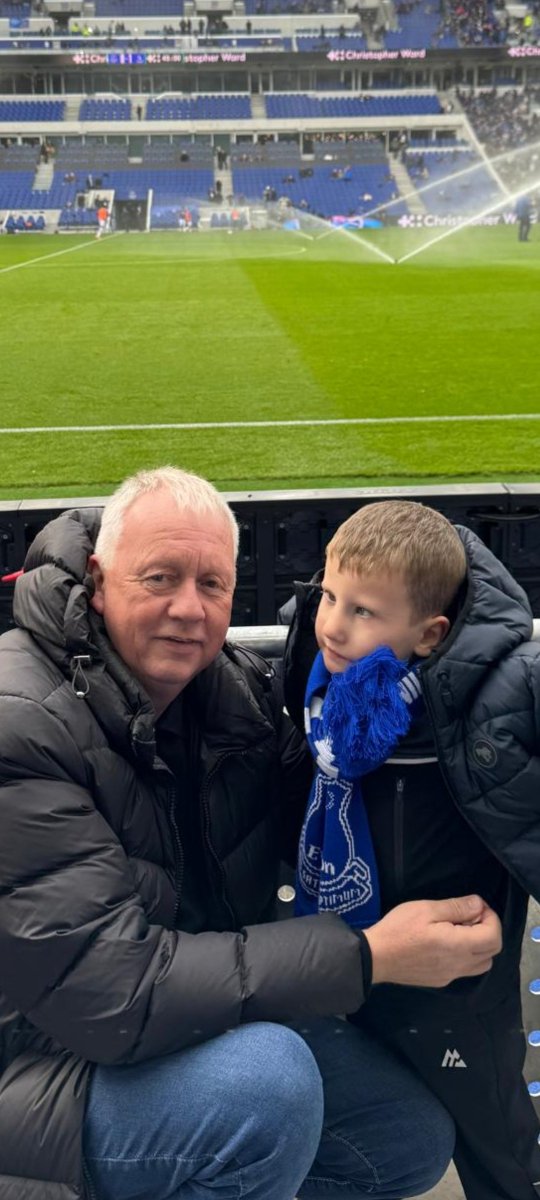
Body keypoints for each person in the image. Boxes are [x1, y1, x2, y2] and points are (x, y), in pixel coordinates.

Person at [0, 470, 502, 1200]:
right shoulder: (21, 727)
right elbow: (114, 996)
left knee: (402, 1136)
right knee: (267, 1087)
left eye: (212, 584)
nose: (188, 609)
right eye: (161, 578)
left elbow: (322, 804)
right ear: (100, 581)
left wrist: (407, 680)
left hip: (169, 1027)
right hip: (37, 1062)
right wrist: (368, 956)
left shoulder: (231, 693)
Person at [282, 499, 540, 1200]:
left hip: (459, 987)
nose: (332, 623)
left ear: (430, 634)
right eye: (328, 596)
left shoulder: (499, 694)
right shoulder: (311, 681)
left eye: (363, 610)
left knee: (497, 1143)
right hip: (354, 966)